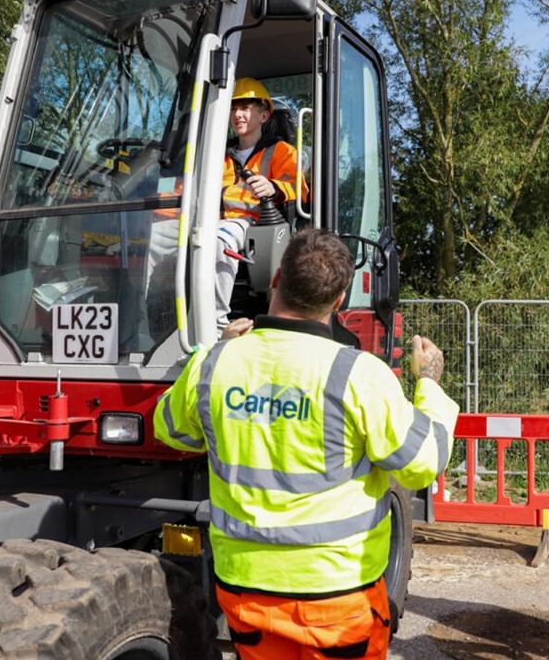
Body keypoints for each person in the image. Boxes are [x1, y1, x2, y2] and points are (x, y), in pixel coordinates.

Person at [154, 228, 458, 659]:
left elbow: (171, 428)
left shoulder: (215, 363)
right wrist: (428, 383)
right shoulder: (360, 374)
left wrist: (218, 352)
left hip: (245, 595)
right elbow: (421, 463)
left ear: (275, 279)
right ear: (338, 301)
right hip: (337, 600)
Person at [146, 77, 305, 335]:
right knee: (152, 238)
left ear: (264, 115)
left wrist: (274, 187)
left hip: (251, 223)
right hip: (207, 219)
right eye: (232, 108)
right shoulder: (217, 153)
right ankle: (149, 320)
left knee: (217, 241)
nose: (237, 114)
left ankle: (216, 325)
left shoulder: (281, 151)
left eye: (245, 108)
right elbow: (188, 189)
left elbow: (299, 187)